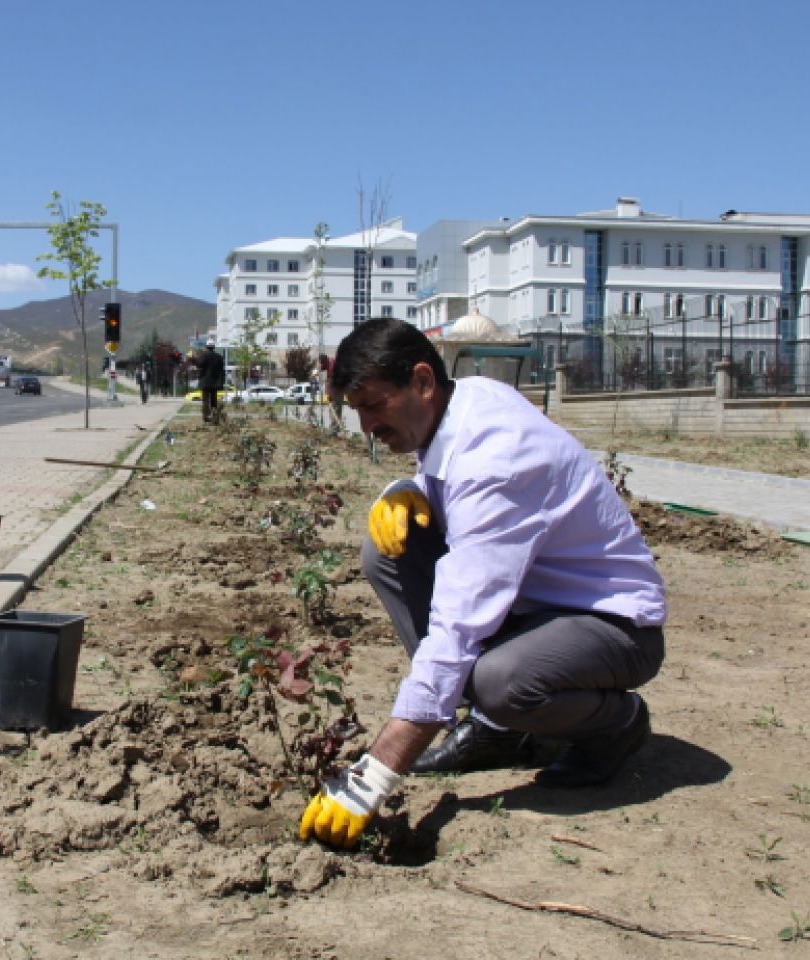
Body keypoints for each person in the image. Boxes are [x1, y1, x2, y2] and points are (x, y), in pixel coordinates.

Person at [298, 318, 666, 850]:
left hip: (614, 626)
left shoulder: (498, 458)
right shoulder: (461, 399)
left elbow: (454, 633)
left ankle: (617, 723)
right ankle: (498, 730)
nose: (366, 427)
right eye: (358, 411)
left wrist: (372, 778)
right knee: (389, 548)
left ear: (422, 381)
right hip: (537, 607)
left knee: (498, 680)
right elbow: (450, 481)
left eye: (375, 406)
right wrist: (409, 487)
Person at [197, 338, 225, 423]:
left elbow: (199, 364)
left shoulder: (204, 356)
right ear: (214, 347)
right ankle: (215, 416)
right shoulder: (219, 357)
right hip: (215, 383)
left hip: (205, 382)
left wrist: (192, 359)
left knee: (205, 400)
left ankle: (206, 417)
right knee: (214, 400)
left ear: (206, 347)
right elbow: (222, 370)